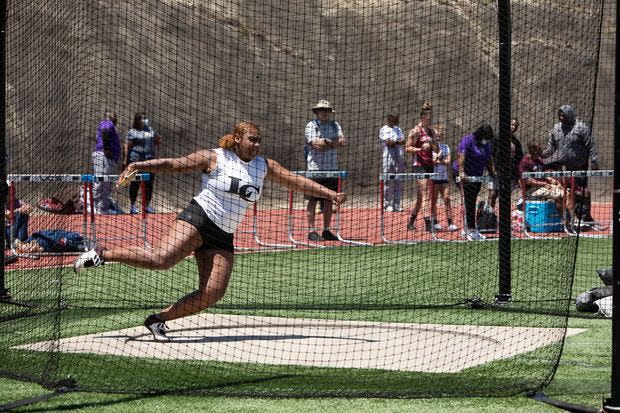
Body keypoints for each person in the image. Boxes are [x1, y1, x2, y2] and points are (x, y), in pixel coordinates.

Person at [73, 121, 346, 341]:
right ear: (238, 139)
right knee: (161, 260)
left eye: (259, 140)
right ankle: (104, 253)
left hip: (223, 234)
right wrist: (139, 164)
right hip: (199, 218)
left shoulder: (264, 166)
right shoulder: (215, 157)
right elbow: (174, 164)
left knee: (212, 293)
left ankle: (157, 320)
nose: (257, 144)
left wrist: (329, 193)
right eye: (252, 139)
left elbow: (296, 181)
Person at [541, 105, 600, 225]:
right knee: (567, 192)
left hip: (579, 166)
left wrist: (594, 161)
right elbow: (551, 147)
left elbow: (591, 145)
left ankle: (584, 217)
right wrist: (541, 155)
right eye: (559, 115)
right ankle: (569, 218)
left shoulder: (581, 127)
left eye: (563, 115)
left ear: (570, 114)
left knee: (581, 192)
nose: (561, 117)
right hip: (563, 167)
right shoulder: (556, 128)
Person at [304, 100, 346, 241]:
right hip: (315, 170)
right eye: (321, 110)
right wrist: (331, 142)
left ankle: (326, 230)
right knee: (313, 200)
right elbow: (316, 145)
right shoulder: (311, 125)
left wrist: (327, 142)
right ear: (317, 111)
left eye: (326, 110)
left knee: (329, 200)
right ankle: (311, 230)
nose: (324, 112)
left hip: (332, 169)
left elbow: (342, 142)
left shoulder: (335, 125)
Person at [452, 124, 496, 241]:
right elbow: (461, 155)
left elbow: (488, 158)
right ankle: (469, 230)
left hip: (477, 176)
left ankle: (471, 228)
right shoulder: (468, 140)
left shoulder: (486, 144)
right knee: (468, 201)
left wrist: (493, 172)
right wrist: (462, 172)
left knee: (472, 200)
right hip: (463, 175)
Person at [406, 101, 439, 232]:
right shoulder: (415, 131)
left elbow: (437, 150)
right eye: (428, 117)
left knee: (421, 197)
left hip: (429, 165)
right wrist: (420, 148)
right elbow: (407, 148)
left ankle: (411, 221)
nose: (430, 119)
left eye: (431, 117)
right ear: (422, 117)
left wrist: (431, 144)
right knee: (427, 195)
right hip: (419, 165)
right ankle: (428, 224)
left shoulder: (432, 132)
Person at [519, 141, 568, 221]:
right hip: (531, 190)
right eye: (539, 149)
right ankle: (565, 221)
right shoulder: (525, 162)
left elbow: (544, 175)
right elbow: (528, 181)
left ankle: (569, 220)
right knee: (558, 196)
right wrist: (543, 184)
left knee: (566, 194)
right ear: (532, 150)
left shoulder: (539, 161)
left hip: (543, 186)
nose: (541, 151)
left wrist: (554, 181)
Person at [124, 112, 161, 214]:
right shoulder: (132, 132)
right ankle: (132, 206)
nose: (145, 120)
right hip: (136, 160)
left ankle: (147, 205)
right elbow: (128, 145)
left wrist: (154, 144)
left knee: (149, 184)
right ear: (137, 120)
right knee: (135, 184)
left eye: (146, 118)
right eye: (143, 118)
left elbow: (158, 139)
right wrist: (125, 160)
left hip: (149, 161)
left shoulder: (150, 130)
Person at [487, 118, 524, 209]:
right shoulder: (496, 137)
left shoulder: (516, 142)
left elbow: (519, 158)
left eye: (516, 126)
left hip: (509, 174)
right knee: (493, 194)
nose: (514, 127)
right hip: (497, 172)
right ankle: (488, 216)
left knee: (505, 196)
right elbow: (490, 154)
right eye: (512, 125)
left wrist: (518, 173)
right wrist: (492, 169)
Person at [92, 111, 122, 214]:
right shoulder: (107, 122)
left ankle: (103, 209)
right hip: (104, 157)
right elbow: (105, 130)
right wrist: (107, 148)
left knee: (107, 184)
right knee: (101, 182)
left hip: (109, 158)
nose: (116, 117)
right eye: (115, 116)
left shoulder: (111, 125)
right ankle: (92, 207)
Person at [430, 126, 457, 231]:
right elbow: (432, 162)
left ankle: (450, 223)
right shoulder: (430, 147)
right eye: (436, 135)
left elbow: (448, 161)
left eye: (440, 135)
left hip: (443, 177)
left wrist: (439, 159)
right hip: (434, 177)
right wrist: (439, 159)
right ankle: (434, 222)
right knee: (434, 200)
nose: (438, 137)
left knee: (447, 198)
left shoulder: (445, 147)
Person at [379, 114, 406, 212]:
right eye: (394, 119)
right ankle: (387, 204)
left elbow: (403, 140)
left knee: (399, 180)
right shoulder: (384, 129)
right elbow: (388, 142)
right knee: (389, 181)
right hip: (389, 157)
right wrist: (396, 142)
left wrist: (396, 142)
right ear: (389, 119)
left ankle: (397, 203)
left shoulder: (398, 129)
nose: (396, 121)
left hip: (399, 157)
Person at [13, 229, 87, 254]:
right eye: (25, 249)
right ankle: (80, 246)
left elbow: (52, 232)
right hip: (56, 244)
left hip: (56, 235)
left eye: (25, 246)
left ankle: (81, 240)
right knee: (68, 244)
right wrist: (32, 249)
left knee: (75, 236)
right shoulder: (36, 249)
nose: (27, 248)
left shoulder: (33, 236)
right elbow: (40, 249)